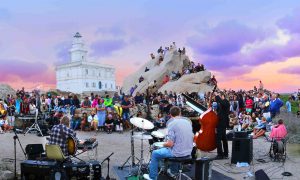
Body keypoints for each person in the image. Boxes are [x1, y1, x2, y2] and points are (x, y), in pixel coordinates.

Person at [143, 106, 194, 180]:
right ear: (180, 113)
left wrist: (163, 144)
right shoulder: (187, 122)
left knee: (155, 153)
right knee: (175, 148)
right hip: (188, 152)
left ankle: (152, 177)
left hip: (177, 153)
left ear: (170, 114)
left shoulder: (172, 124)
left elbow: (170, 144)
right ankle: (173, 171)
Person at [214, 92, 230, 159]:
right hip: (222, 122)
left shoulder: (226, 102)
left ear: (222, 96)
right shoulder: (222, 103)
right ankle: (225, 154)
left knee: (218, 139)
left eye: (220, 96)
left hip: (222, 123)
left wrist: (217, 95)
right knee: (224, 138)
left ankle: (220, 155)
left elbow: (221, 102)